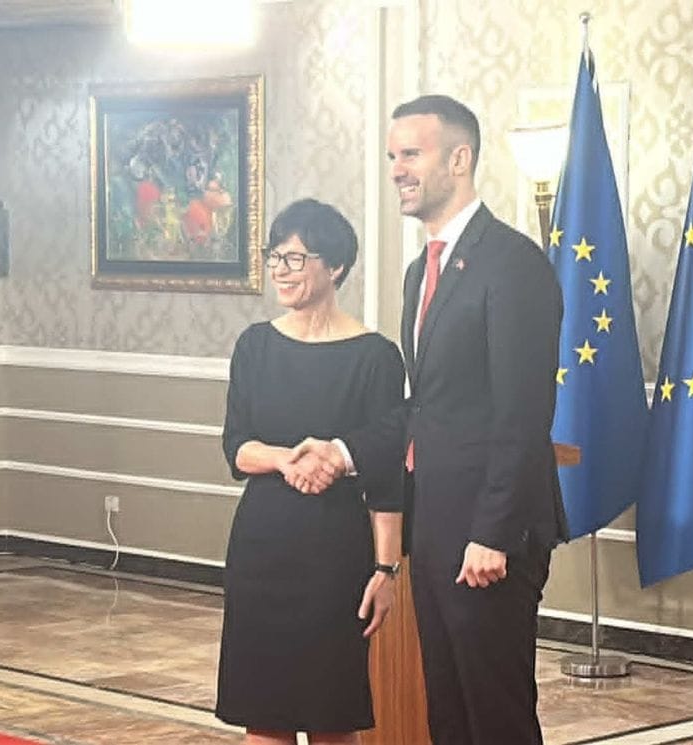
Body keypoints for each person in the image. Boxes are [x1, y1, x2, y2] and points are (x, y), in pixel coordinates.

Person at [305, 95, 568, 744]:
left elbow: (523, 413)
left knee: (496, 719)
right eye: (392, 156)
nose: (397, 168)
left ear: (459, 159)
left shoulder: (513, 264)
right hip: (436, 527)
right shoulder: (419, 272)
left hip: (488, 535)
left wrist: (493, 533)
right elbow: (426, 406)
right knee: (447, 714)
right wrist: (343, 449)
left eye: (411, 154)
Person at [216, 198, 405, 745]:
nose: (280, 270)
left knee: (332, 716)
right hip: (261, 550)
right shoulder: (255, 346)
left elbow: (386, 477)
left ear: (335, 266)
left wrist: (386, 570)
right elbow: (236, 448)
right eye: (274, 257)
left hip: (335, 556)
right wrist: (286, 459)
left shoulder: (376, 357)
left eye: (295, 258)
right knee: (263, 714)